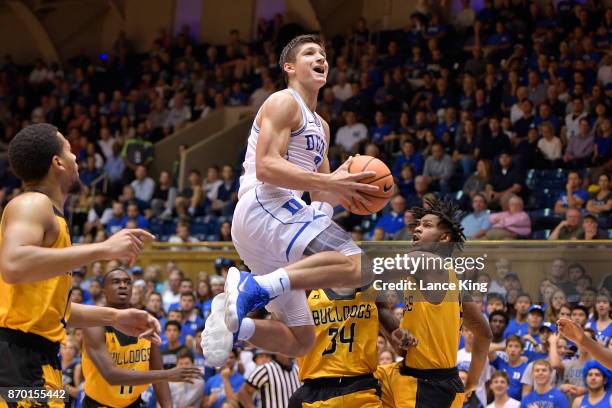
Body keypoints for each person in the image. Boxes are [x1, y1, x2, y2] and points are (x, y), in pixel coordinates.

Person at [202, 35, 379, 366]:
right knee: (360, 265)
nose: (320, 58)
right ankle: (252, 287)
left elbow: (322, 193)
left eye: (324, 54)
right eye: (310, 53)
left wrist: (349, 189)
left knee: (301, 341)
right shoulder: (283, 101)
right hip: (266, 203)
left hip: (270, 224)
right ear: (289, 67)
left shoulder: (322, 126)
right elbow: (266, 166)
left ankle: (236, 325)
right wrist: (327, 182)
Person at [0, 124, 158, 400]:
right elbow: (13, 264)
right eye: (70, 150)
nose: (76, 158)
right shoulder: (31, 204)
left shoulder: (52, 219)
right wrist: (103, 249)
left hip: (38, 359)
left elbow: (52, 310)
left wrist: (114, 316)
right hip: (16, 360)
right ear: (57, 162)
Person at [375, 199, 492, 407]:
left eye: (427, 225)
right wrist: (472, 382)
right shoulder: (452, 282)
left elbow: (371, 273)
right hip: (413, 375)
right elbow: (484, 333)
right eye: (418, 224)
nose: (418, 228)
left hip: (431, 389)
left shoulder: (426, 260)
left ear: (444, 237)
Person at [81, 268, 201, 407]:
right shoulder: (94, 324)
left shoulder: (145, 321)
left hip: (134, 403)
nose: (123, 286)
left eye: (127, 282)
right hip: (99, 404)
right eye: (116, 282)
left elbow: (157, 370)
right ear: (104, 291)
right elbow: (111, 376)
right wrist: (167, 374)